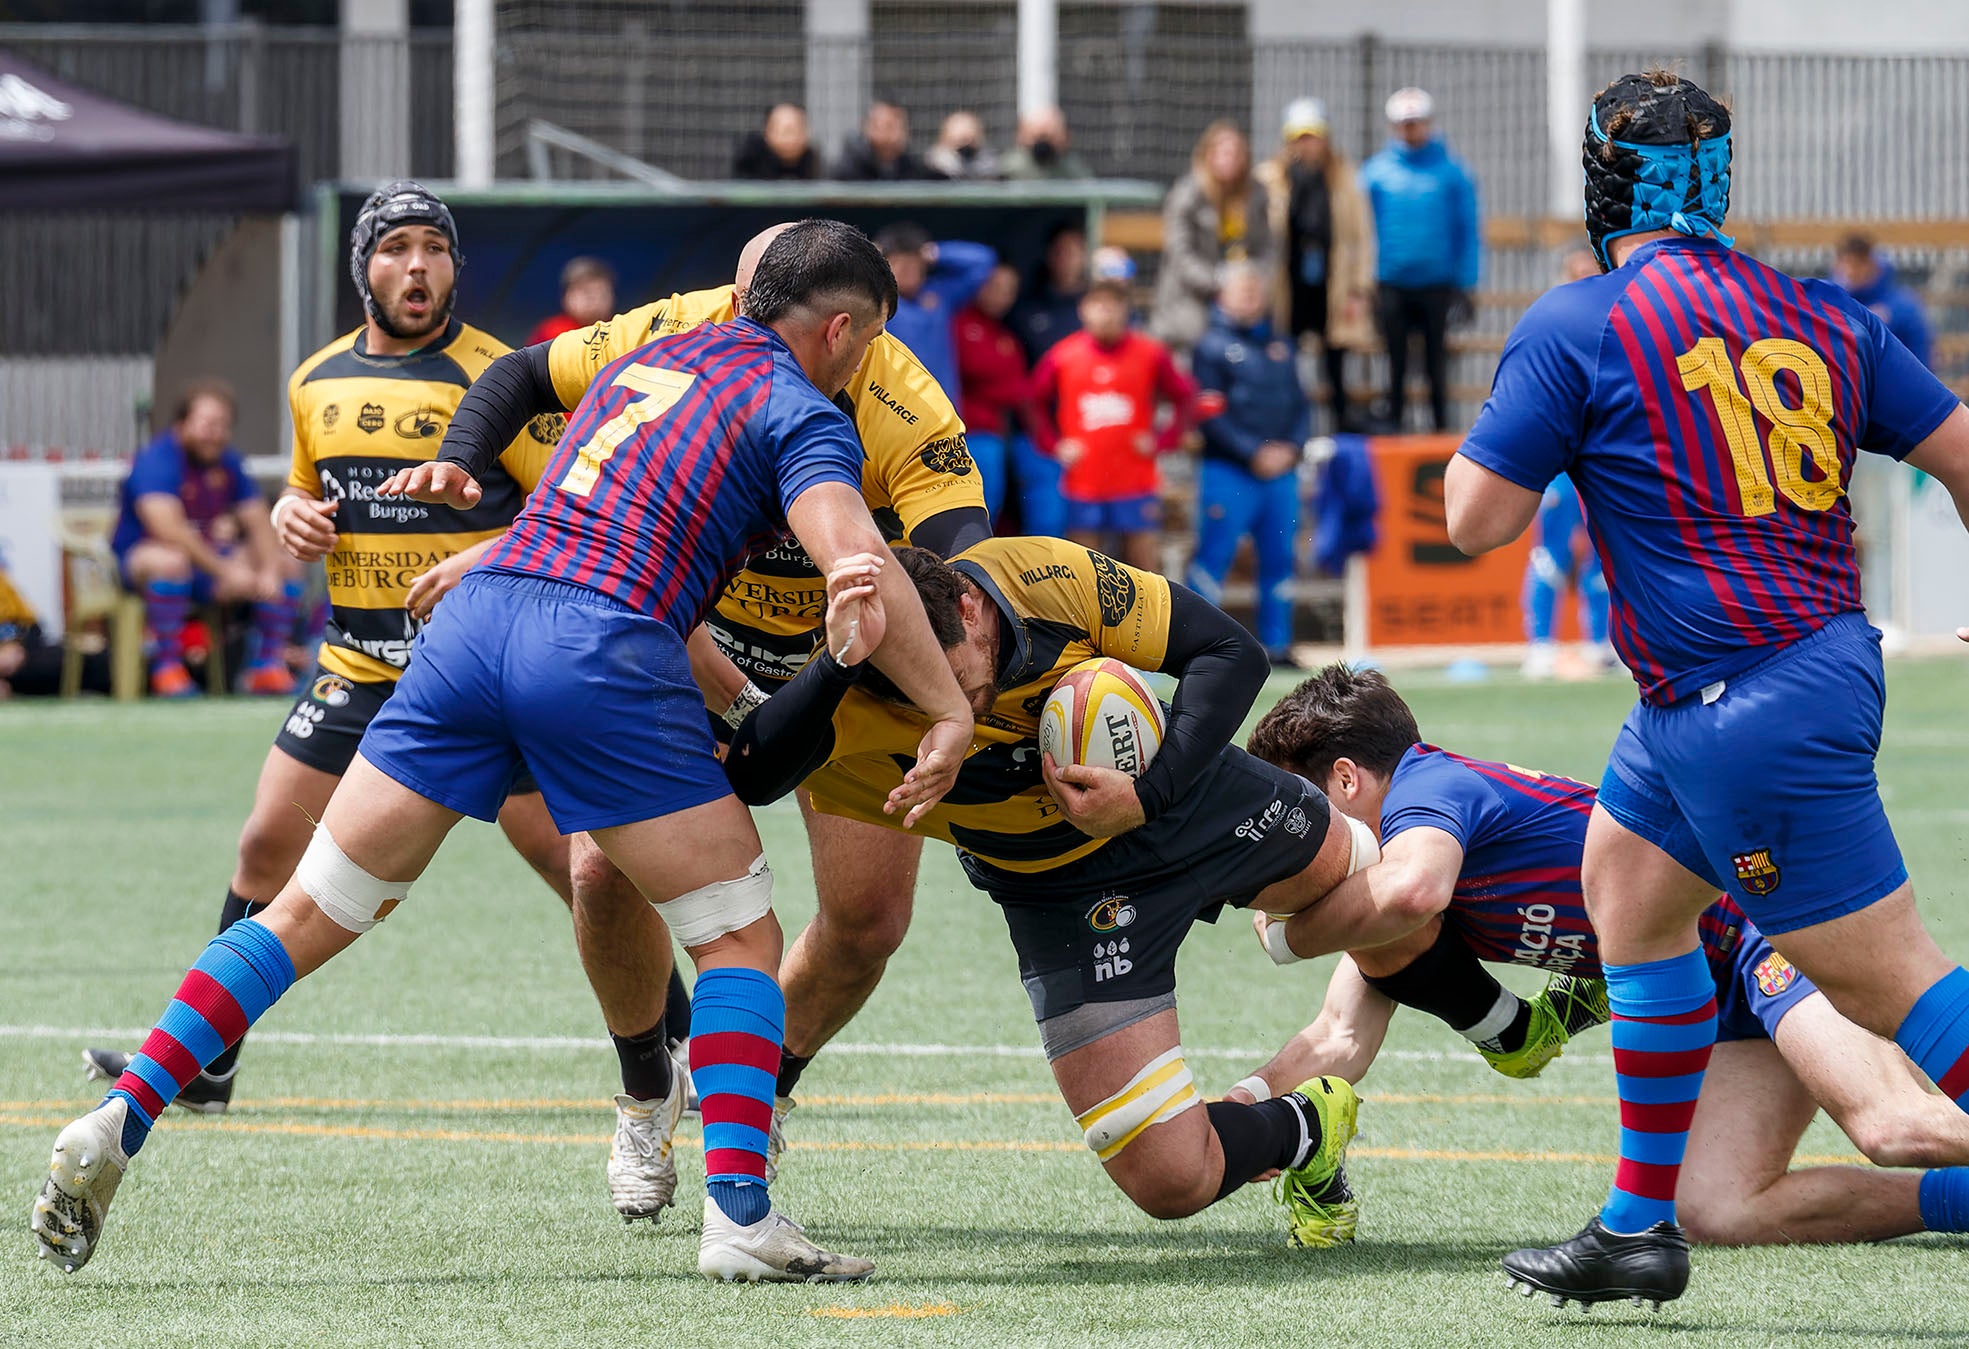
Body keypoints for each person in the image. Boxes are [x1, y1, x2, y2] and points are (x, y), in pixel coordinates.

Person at [32, 219, 975, 1285]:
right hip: (600, 649)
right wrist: (945, 706)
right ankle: (741, 1215)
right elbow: (857, 560)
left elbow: (594, 497)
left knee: (302, 909)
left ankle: (120, 1115)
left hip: (475, 630)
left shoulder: (647, 355)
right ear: (842, 330)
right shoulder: (804, 408)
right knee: (737, 934)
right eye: (867, 343)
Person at [1442, 71, 1969, 1307]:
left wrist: (1539, 408)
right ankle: (1637, 1227)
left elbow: (1474, 520)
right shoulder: (1821, 310)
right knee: (1628, 892)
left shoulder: (1579, 322)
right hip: (1743, 688)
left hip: (1744, 699)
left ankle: (1640, 1224)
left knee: (1884, 979)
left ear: (1601, 183)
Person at [80, 180, 693, 1224]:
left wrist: (475, 561)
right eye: (396, 249)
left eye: (435, 250)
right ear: (362, 267)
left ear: (454, 266)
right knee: (263, 848)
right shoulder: (315, 379)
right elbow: (313, 492)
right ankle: (213, 1064)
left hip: (481, 673)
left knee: (585, 873)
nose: (418, 268)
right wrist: (289, 512)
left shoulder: (495, 376)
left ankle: (675, 1050)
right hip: (360, 664)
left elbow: (563, 512)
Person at [409, 219, 992, 1201]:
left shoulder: (898, 396)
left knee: (868, 920)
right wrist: (493, 521)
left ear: (831, 323)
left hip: (836, 656)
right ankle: (647, 1093)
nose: (741, 324)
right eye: (734, 302)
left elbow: (955, 559)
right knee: (598, 868)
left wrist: (949, 692)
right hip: (677, 636)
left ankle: (753, 1096)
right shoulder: (677, 329)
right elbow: (524, 386)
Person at [720, 539, 1383, 1228]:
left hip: (1185, 800)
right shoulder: (857, 684)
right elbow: (752, 774)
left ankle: (1496, 1023)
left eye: (950, 676)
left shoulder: (1040, 576)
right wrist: (834, 663)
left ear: (970, 608)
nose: (948, 706)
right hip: (1063, 895)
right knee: (1172, 1180)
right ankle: (1305, 1125)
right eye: (919, 695)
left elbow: (1229, 650)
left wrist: (1147, 795)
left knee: (1387, 888)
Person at [1235, 665, 1969, 1253]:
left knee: (1892, 1126)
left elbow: (1412, 889)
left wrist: (1283, 936)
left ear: (1344, 778)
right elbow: (1337, 1035)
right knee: (1719, 1208)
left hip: (1767, 935)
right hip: (1701, 996)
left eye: (1293, 806)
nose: (1291, 838)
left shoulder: (1429, 797)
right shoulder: (1389, 885)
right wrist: (1238, 1114)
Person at [111, 380, 300, 697]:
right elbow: (170, 531)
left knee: (286, 562)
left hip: (209, 565)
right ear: (182, 423)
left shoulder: (227, 461)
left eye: (224, 426)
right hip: (147, 564)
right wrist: (226, 571)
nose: (216, 433)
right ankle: (167, 670)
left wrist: (267, 570)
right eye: (208, 424)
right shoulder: (157, 460)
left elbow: (257, 517)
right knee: (171, 560)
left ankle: (267, 668)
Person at [1186, 262, 1310, 663]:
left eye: (1256, 290)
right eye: (1243, 291)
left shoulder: (1281, 344)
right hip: (1229, 471)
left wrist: (1291, 448)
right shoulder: (1209, 346)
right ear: (1223, 296)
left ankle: (1277, 644)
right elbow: (1208, 411)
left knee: (1279, 558)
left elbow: (1300, 404)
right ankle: (1194, 647)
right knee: (1213, 556)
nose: (1251, 298)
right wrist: (1253, 452)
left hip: (1280, 475)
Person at [1029, 279, 1195, 573]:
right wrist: (1053, 445)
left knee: (1143, 565)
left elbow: (1185, 396)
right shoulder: (1064, 354)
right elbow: (1032, 401)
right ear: (1083, 310)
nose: (1105, 314)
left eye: (1112, 306)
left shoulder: (1150, 353)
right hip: (1084, 480)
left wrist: (1162, 441)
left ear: (1125, 310)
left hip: (1135, 479)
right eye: (1098, 306)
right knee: (1083, 567)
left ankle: (1150, 620)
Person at [1359, 88, 1479, 432]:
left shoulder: (1452, 173)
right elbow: (1359, 230)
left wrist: (1466, 282)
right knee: (1394, 360)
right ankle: (1395, 426)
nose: (1410, 130)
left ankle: (1440, 429)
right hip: (1390, 281)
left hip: (1436, 283)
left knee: (1435, 362)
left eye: (1415, 123)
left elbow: (1466, 229)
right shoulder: (1375, 174)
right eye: (1404, 124)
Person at [1256, 97, 1376, 433]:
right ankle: (1289, 430)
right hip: (1288, 284)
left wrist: (1359, 289)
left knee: (1335, 362)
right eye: (1300, 138)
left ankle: (1340, 430)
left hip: (1330, 282)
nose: (1307, 145)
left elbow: (1361, 237)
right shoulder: (1270, 178)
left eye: (1313, 137)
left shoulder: (1345, 178)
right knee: (1285, 359)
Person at [1521, 248, 1613, 679]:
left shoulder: (1620, 325)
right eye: (1576, 274)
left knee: (1606, 552)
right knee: (1551, 553)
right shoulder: (1551, 329)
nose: (1583, 281)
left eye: (1590, 273)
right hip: (1560, 460)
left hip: (1605, 459)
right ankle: (1541, 645)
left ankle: (1603, 643)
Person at [1151, 121, 1273, 356]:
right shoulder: (1187, 194)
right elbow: (1180, 255)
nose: (1230, 160)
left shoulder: (1256, 193)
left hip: (1242, 291)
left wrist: (1250, 280)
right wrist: (1219, 281)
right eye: (1224, 153)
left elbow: (1267, 248)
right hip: (1191, 296)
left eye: (1236, 154)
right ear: (1208, 155)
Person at [1009, 224, 1088, 537]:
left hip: (1089, 438)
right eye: (1060, 250)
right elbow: (1024, 389)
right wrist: (1050, 441)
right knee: (1046, 526)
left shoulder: (1094, 310)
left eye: (1074, 249)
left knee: (1088, 530)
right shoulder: (1027, 312)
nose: (1067, 258)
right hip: (1038, 438)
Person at [874, 222, 997, 403]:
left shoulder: (940, 294)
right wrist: (871, 254)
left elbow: (984, 260)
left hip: (942, 404)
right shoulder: (875, 301)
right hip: (895, 404)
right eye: (898, 263)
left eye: (912, 263)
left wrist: (935, 252)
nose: (906, 271)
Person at [954, 261, 1032, 520]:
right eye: (994, 286)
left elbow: (1018, 389)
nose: (1000, 296)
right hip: (959, 435)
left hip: (993, 436)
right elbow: (973, 369)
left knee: (989, 511)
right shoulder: (959, 323)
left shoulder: (1006, 337)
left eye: (1009, 290)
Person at [1834, 234, 1933, 369]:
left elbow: (1921, 355)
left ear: (1870, 264)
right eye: (1845, 264)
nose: (1850, 272)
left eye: (1856, 265)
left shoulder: (1902, 306)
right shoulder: (1833, 302)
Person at [831, 99, 940, 181]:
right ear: (868, 128)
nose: (897, 134)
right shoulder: (848, 171)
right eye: (889, 126)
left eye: (901, 126)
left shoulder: (911, 168)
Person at [526, 256, 617, 347]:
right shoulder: (550, 332)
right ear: (566, 296)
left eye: (601, 292)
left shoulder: (618, 330)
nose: (595, 299)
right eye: (586, 292)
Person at [732, 102, 820, 181]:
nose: (790, 139)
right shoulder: (750, 159)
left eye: (796, 130)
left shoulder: (811, 162)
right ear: (767, 132)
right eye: (785, 131)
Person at [1000, 105, 1092, 181]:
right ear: (1020, 137)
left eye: (1050, 137)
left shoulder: (1073, 172)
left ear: (1065, 137)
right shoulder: (1008, 170)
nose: (1043, 144)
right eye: (1036, 136)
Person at [924, 109, 1000, 181]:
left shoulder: (990, 166)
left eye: (969, 140)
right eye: (960, 140)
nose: (965, 145)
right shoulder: (933, 169)